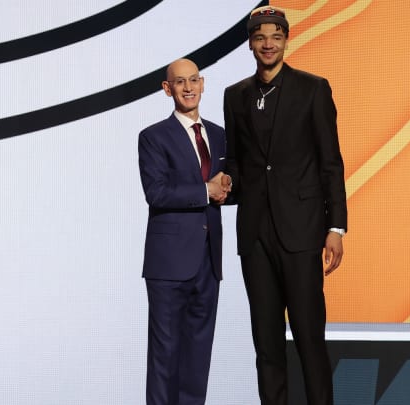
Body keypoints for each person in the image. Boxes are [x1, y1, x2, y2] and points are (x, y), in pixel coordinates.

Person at [223, 6, 348, 405]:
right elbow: (239, 163)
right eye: (260, 38)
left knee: (310, 339)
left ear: (286, 40)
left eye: (275, 37)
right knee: (266, 345)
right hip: (255, 235)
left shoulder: (313, 89)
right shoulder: (235, 95)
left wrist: (336, 227)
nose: (267, 44)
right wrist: (225, 184)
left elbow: (331, 162)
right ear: (250, 43)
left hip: (302, 231)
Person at [138, 58, 230, 405]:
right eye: (180, 82)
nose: (189, 88)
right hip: (168, 266)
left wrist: (226, 187)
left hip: (208, 262)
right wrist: (206, 189)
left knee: (197, 358)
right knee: (165, 358)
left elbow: (224, 189)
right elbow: (156, 193)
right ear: (168, 89)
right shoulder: (153, 137)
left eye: (194, 80)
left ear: (203, 83)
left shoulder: (220, 136)